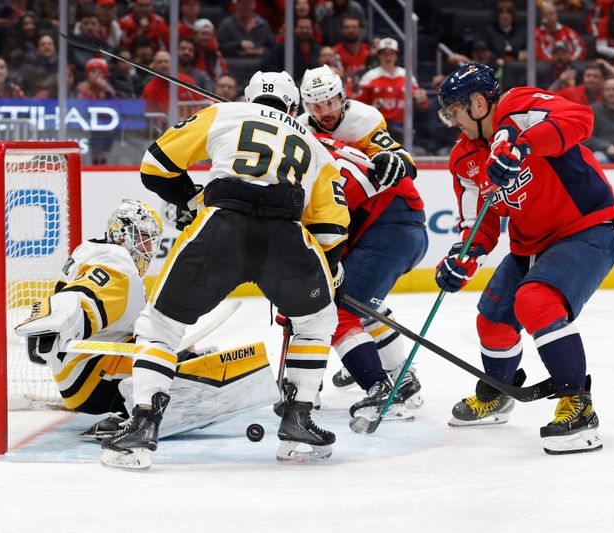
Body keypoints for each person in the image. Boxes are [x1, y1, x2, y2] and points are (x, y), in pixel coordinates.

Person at [101, 71, 349, 469]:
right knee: (316, 321)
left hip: (220, 228)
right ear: (293, 106)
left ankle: (143, 425)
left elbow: (155, 165)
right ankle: (299, 416)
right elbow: (331, 227)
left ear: (250, 98)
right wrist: (328, 269)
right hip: (286, 237)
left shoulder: (224, 113)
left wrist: (191, 200)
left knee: (161, 325)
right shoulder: (314, 145)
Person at [436, 63, 614, 455]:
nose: (454, 122)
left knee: (535, 300)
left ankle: (579, 407)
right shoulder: (463, 158)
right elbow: (479, 222)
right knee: (492, 320)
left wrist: (522, 144)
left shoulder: (518, 105)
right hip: (529, 246)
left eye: (455, 111)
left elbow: (579, 118)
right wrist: (461, 259)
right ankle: (499, 392)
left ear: (479, 102)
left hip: (586, 229)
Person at [14, 200, 277, 441]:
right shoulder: (115, 264)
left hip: (87, 374)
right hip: (95, 382)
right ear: (119, 234)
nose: (148, 249)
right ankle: (140, 413)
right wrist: (52, 324)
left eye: (150, 241)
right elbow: (84, 298)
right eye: (141, 239)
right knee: (187, 366)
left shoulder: (95, 253)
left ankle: (135, 407)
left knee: (186, 353)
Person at [298, 65, 427, 433]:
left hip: (391, 222)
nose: (327, 111)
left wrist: (395, 162)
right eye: (317, 105)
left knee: (339, 308)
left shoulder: (364, 120)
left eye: (332, 102)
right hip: (374, 226)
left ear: (343, 97)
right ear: (307, 106)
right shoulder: (302, 132)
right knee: (361, 303)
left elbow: (402, 160)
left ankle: (388, 387)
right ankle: (401, 379)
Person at [358, 38, 429, 143]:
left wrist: (421, 99)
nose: (388, 57)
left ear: (396, 55)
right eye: (384, 53)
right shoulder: (369, 77)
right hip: (377, 130)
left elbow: (421, 103)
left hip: (404, 129)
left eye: (391, 53)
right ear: (379, 55)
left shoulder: (407, 75)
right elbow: (359, 106)